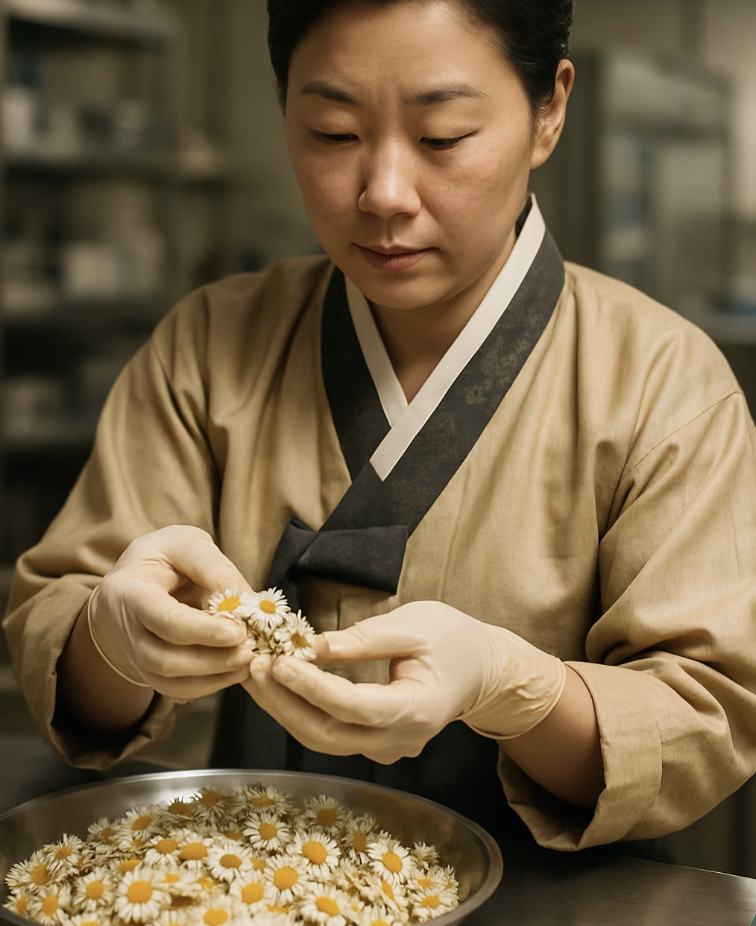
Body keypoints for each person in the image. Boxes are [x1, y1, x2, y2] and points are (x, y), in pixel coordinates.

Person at [4, 0, 756, 866]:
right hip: (249, 890)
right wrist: (114, 636)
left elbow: (704, 716)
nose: (384, 195)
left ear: (549, 109)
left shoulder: (662, 379)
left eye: (442, 138)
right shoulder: (208, 346)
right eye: (332, 133)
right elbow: (63, 659)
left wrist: (515, 689)